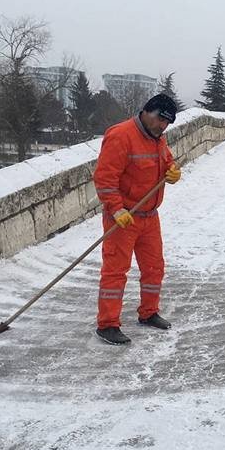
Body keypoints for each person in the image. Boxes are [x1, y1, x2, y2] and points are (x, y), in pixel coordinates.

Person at [93, 94, 182, 346]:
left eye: (167, 123)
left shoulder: (158, 139)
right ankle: (108, 324)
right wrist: (116, 209)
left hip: (149, 216)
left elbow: (166, 161)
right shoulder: (121, 135)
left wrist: (172, 171)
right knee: (115, 271)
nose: (162, 127)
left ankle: (149, 312)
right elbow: (104, 178)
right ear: (146, 111)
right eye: (159, 120)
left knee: (154, 268)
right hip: (123, 217)